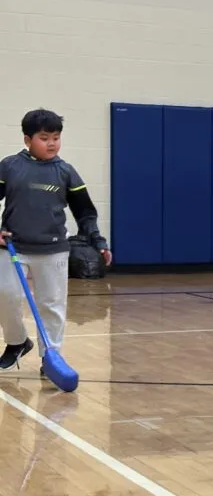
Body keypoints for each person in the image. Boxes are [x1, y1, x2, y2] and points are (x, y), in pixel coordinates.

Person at [0, 109, 112, 375]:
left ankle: (50, 358)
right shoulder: (10, 166)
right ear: (28, 140)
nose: (51, 143)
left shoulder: (66, 172)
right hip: (13, 248)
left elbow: (85, 212)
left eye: (56, 137)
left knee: (51, 305)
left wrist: (99, 242)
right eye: (44, 137)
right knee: (5, 295)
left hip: (53, 251)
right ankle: (17, 343)